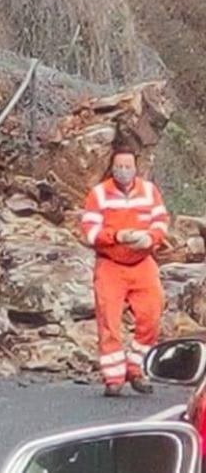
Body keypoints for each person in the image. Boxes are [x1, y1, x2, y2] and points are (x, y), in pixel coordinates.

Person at [79, 148, 170, 397]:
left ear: (135, 168)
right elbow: (89, 232)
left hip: (143, 262)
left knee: (151, 315)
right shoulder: (99, 194)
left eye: (127, 166)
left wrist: (150, 238)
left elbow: (161, 221)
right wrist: (117, 236)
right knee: (109, 321)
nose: (123, 171)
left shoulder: (149, 191)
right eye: (119, 166)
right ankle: (113, 378)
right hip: (110, 263)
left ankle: (136, 367)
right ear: (112, 167)